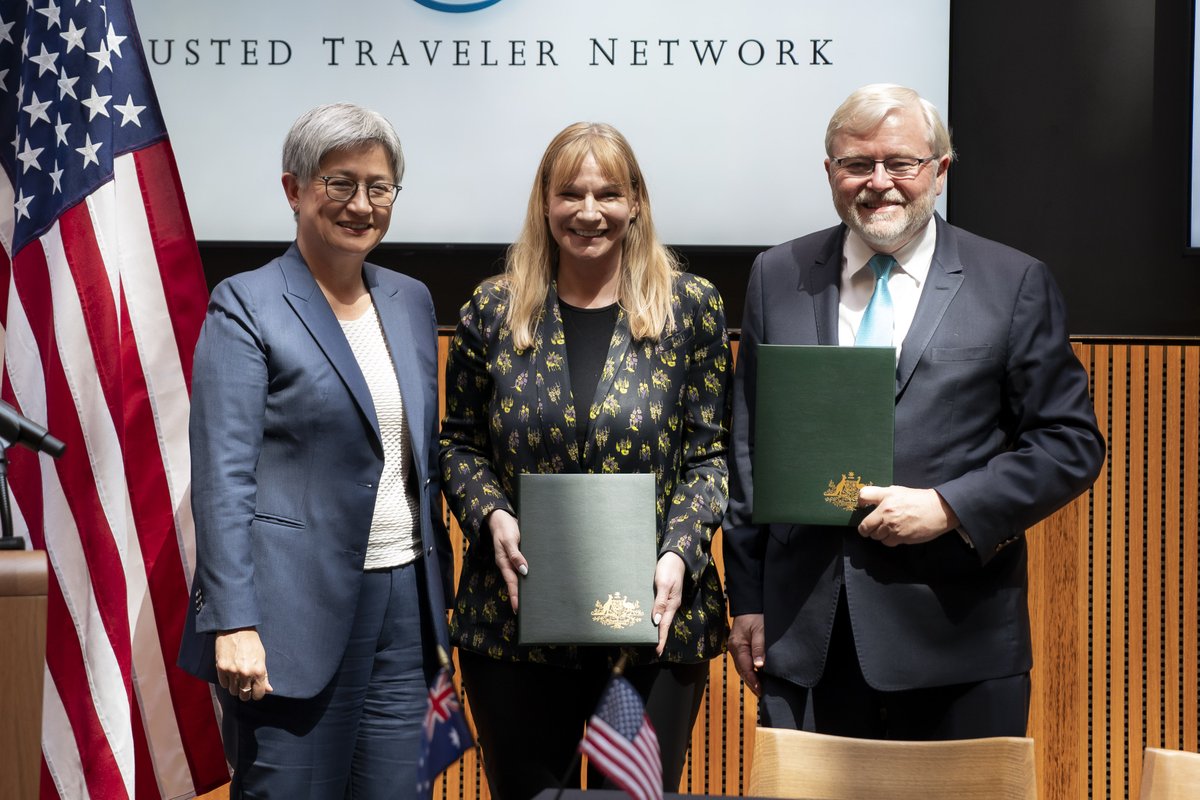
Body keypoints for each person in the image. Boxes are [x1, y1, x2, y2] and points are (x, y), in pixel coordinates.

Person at [723, 84, 1105, 740]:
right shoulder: (777, 274)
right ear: (829, 172)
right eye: (856, 164)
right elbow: (752, 444)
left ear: (940, 169)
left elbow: (1069, 443)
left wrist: (950, 507)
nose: (880, 183)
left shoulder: (1012, 282)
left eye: (901, 163)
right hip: (806, 638)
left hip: (957, 642)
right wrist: (749, 599)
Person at [439, 122, 731, 800]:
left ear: (637, 203)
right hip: (515, 623)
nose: (590, 212)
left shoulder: (692, 308)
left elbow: (710, 455)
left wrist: (680, 553)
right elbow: (457, 443)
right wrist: (491, 514)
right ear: (545, 202)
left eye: (608, 194)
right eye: (571, 193)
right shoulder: (492, 308)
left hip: (655, 623)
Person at [178, 103, 452, 797]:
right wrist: (233, 622)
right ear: (293, 189)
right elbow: (222, 480)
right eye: (340, 183)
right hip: (287, 617)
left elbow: (421, 458)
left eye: (379, 186)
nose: (361, 204)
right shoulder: (245, 304)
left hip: (405, 609)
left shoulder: (412, 301)